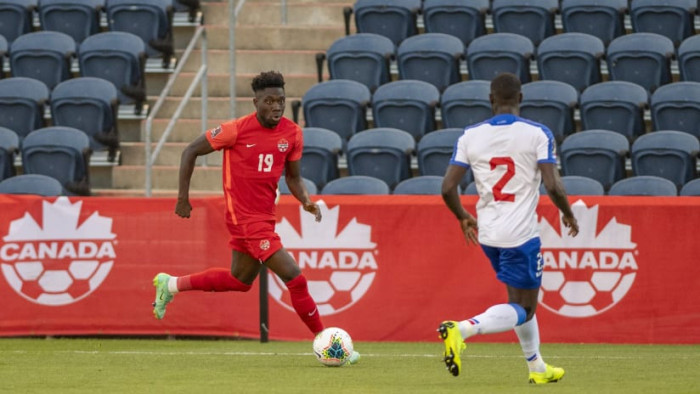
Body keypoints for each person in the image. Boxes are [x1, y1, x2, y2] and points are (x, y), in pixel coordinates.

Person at [151, 70, 359, 364]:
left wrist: (306, 201)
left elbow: (294, 177)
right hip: (245, 221)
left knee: (239, 280)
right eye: (269, 101)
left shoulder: (292, 133)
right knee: (295, 278)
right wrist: (183, 198)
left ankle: (170, 284)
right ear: (256, 102)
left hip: (264, 218)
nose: (276, 106)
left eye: (281, 101)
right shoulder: (234, 130)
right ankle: (328, 343)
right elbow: (189, 151)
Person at [438, 72, 579, 384]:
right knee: (525, 309)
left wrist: (462, 216)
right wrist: (567, 213)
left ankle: (537, 368)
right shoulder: (537, 133)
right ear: (521, 99)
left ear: (490, 99)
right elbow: (552, 184)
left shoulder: (470, 135)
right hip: (521, 235)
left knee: (518, 301)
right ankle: (462, 329)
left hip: (488, 234)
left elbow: (448, 187)